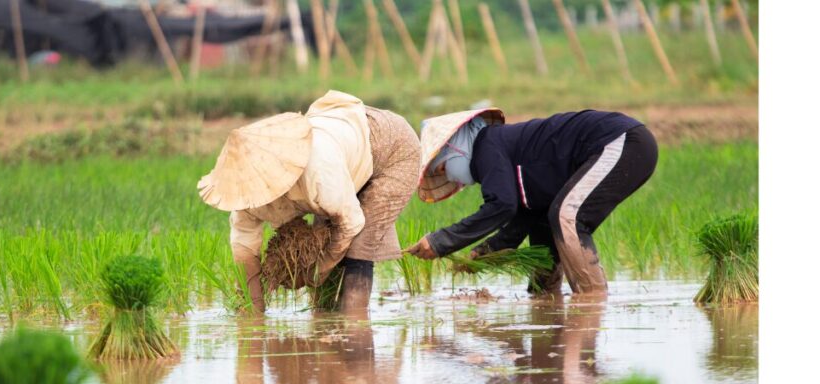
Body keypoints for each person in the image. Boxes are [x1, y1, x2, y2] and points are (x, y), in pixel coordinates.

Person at [198, 90, 421, 313]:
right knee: (323, 238)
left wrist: (315, 273)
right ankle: (325, 321)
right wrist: (253, 311)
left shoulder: (318, 172)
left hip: (391, 146)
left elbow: (351, 223)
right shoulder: (246, 198)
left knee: (360, 246)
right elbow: (245, 252)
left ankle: (356, 322)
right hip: (341, 153)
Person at [404, 109, 658, 294]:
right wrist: (485, 252)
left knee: (566, 216)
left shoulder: (487, 147)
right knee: (547, 222)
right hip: (626, 143)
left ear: (455, 149)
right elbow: (526, 212)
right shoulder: (500, 149)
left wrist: (440, 242)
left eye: (441, 169)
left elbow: (501, 206)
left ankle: (592, 302)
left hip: (621, 142)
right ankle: (547, 296)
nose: (447, 176)